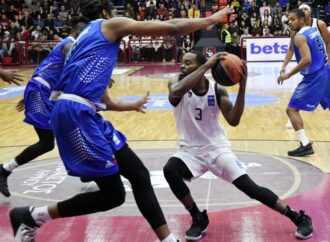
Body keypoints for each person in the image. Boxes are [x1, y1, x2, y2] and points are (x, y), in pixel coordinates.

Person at [9, 1, 235, 242]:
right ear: (106, 13)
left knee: (139, 175)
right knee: (113, 195)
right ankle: (32, 216)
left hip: (84, 111)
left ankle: (168, 240)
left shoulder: (86, 41)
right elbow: (173, 28)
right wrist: (212, 19)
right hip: (75, 113)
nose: (125, 18)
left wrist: (132, 105)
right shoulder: (109, 25)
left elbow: (104, 99)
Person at [163, 50, 313, 241]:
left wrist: (242, 86)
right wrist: (207, 65)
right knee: (170, 170)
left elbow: (234, 120)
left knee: (250, 188)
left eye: (187, 63)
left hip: (217, 149)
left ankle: (298, 217)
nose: (182, 66)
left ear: (199, 65)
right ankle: (197, 217)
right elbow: (175, 93)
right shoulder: (175, 83)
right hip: (189, 151)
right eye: (182, 62)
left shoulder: (217, 90)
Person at [0, 17, 89, 198]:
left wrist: (31, 92)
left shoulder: (69, 46)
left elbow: (44, 69)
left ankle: (85, 170)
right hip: (41, 92)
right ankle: (4, 170)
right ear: (79, 32)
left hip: (43, 92)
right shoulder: (69, 44)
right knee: (47, 142)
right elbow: (77, 62)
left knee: (71, 128)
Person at [277, 8, 330, 157]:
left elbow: (306, 60)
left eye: (293, 19)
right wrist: (283, 66)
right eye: (289, 20)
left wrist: (288, 74)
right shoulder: (312, 31)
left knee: (291, 109)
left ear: (302, 20)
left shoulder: (300, 37)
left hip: (314, 77)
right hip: (325, 71)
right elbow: (290, 50)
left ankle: (305, 145)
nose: (290, 22)